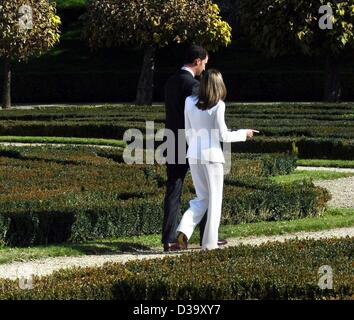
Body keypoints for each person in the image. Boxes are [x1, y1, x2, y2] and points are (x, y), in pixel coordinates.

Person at [176, 69, 259, 250]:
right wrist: (244, 133)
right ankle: (209, 244)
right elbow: (223, 136)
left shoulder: (189, 102)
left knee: (201, 198)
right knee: (214, 201)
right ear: (218, 85)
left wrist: (194, 149)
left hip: (194, 154)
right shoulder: (219, 105)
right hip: (212, 157)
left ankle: (184, 228)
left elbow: (188, 131)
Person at [162, 45, 209, 252]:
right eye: (205, 63)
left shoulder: (170, 81)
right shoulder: (193, 85)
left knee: (173, 189)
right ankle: (208, 236)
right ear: (197, 61)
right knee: (206, 190)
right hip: (192, 142)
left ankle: (170, 238)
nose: (205, 68)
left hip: (172, 139)